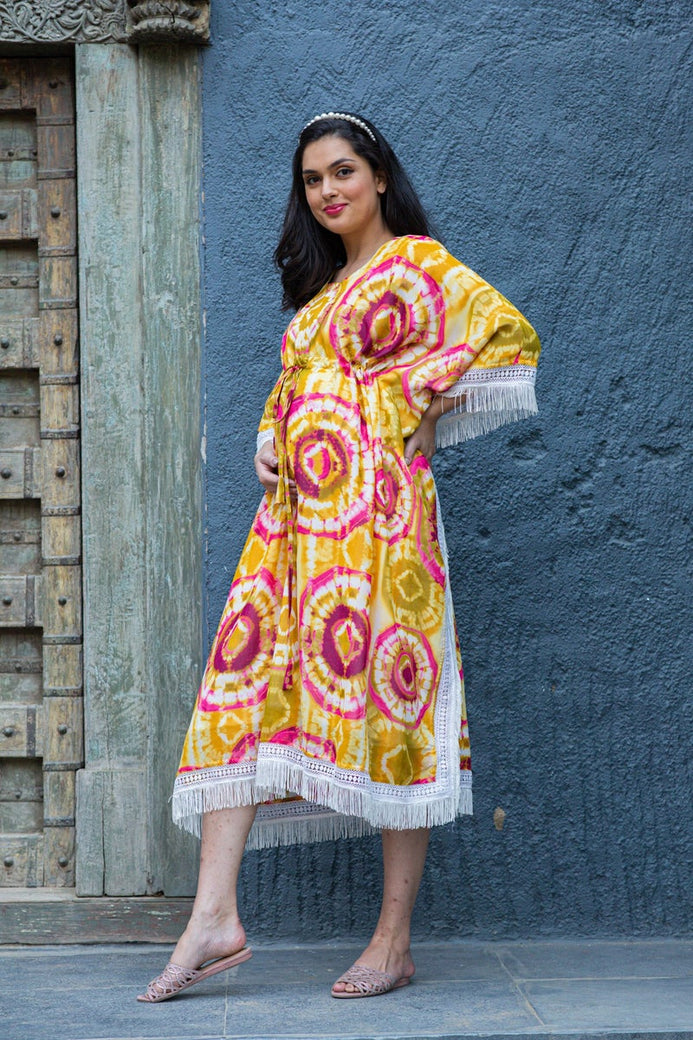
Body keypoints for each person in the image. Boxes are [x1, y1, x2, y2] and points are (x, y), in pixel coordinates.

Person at [137, 111, 541, 1003]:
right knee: (240, 694)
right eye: (313, 179)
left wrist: (422, 409)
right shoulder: (322, 295)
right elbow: (294, 386)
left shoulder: (417, 265)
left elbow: (505, 333)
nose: (327, 190)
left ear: (379, 176)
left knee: (395, 702)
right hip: (292, 526)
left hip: (379, 521)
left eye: (343, 172)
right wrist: (269, 438)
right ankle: (213, 916)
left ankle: (391, 942)